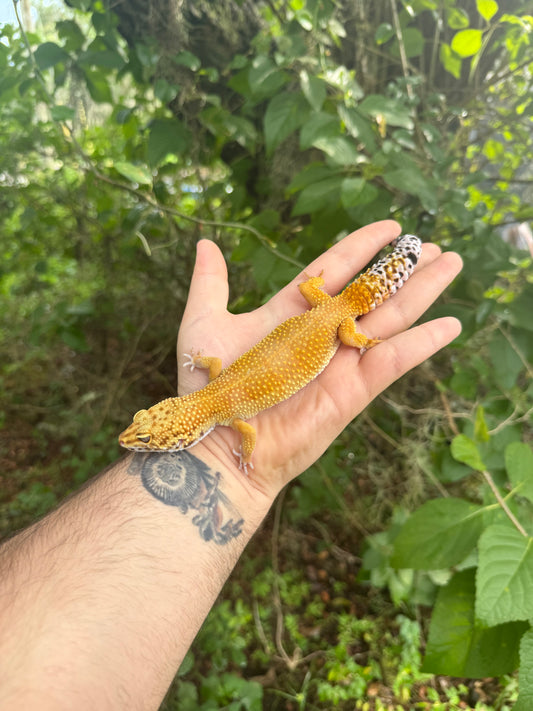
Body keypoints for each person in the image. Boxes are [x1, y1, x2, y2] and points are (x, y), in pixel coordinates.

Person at [0, 221, 462, 709]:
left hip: (340, 317)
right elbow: (225, 386)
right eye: (146, 433)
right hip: (327, 306)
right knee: (358, 306)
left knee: (357, 329)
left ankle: (400, 265)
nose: (134, 439)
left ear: (180, 431)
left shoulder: (232, 414)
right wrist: (312, 296)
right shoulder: (219, 398)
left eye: (148, 433)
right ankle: (402, 259)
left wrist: (359, 341)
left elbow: (246, 431)